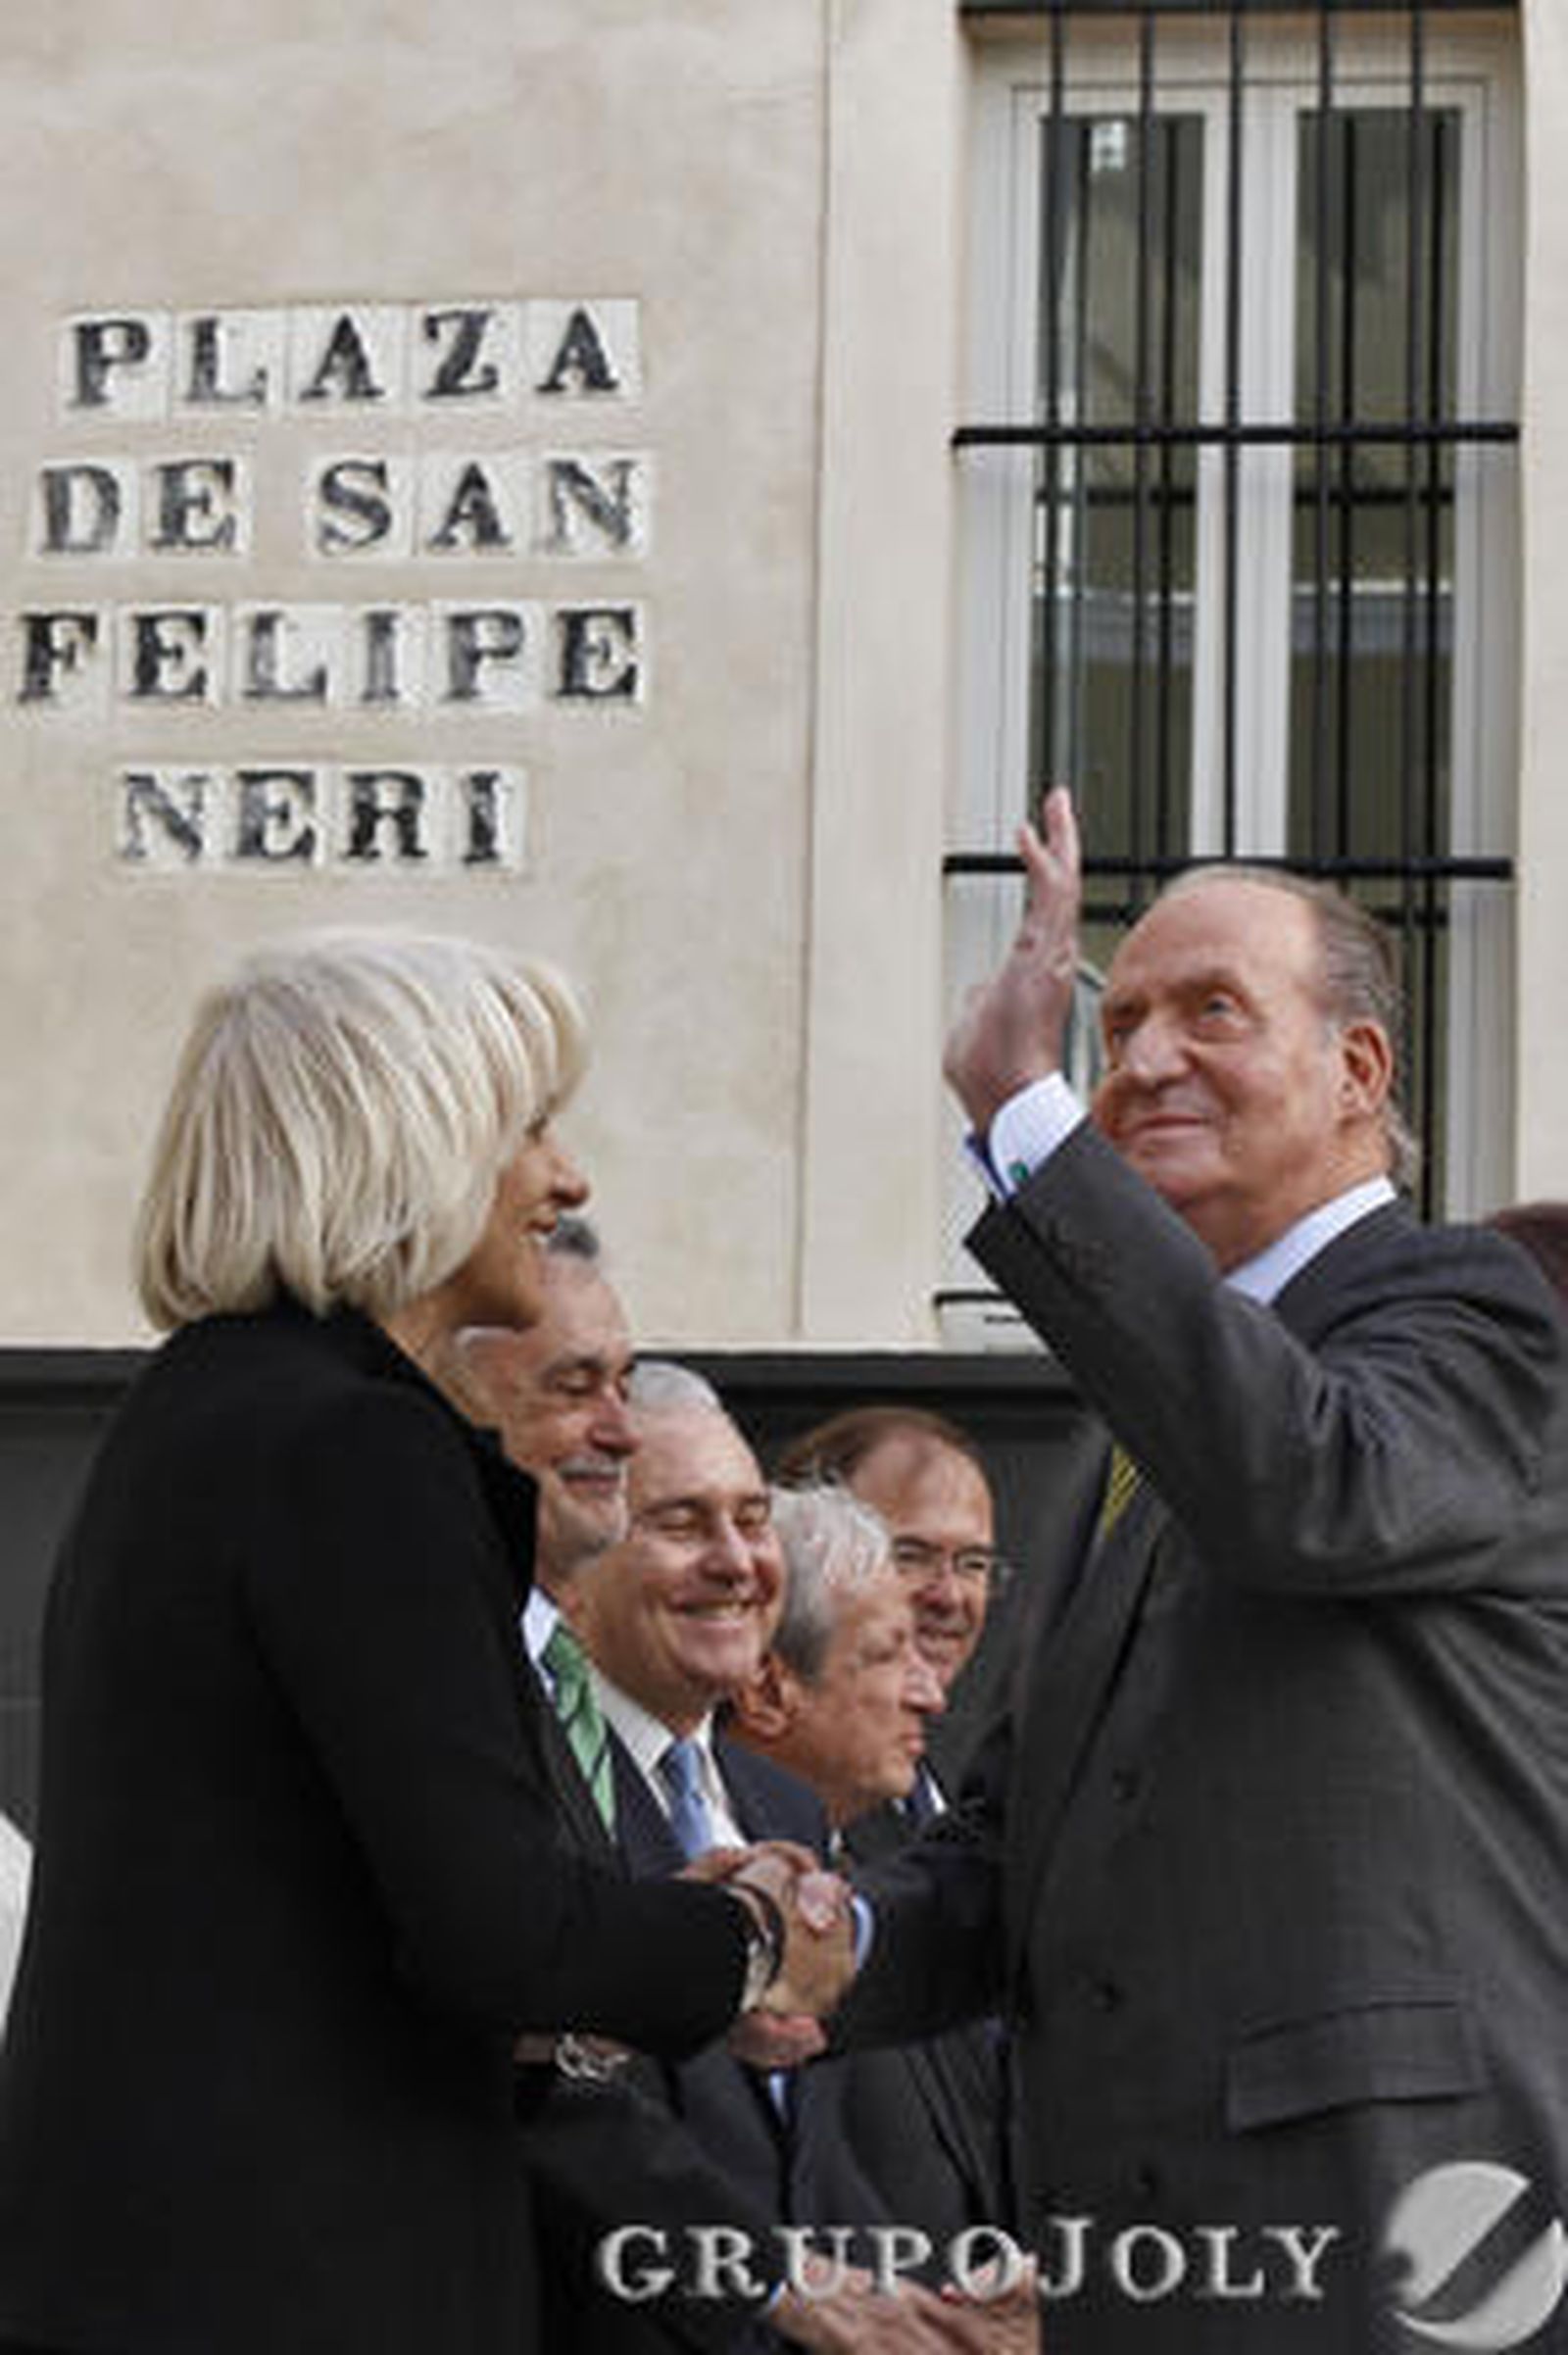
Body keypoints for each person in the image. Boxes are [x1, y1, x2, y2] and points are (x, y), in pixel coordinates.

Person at [0, 928, 847, 2355]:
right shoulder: (357, 1445)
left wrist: (649, 1937)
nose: (566, 1178)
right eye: (528, 1124)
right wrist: (755, 1936)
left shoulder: (196, 1416)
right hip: (298, 2287)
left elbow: (323, 1910)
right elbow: (494, 1932)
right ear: (412, 1139)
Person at [835, 791, 1568, 2350]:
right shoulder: (1140, 1435)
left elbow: (1307, 1485)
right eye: (1123, 1021)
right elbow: (1005, 1853)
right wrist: (802, 1942)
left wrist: (1022, 1117)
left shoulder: (1479, 1316)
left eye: (1211, 1011)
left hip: (1403, 2249)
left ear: (1357, 1070)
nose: (1146, 1057)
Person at [731, 1486, 1013, 2266]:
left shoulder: (871, 1898)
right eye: (891, 1653)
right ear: (766, 1689)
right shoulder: (734, 1916)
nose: (933, 1692)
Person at [773, 1407, 1003, 1798]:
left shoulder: (970, 1767)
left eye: (973, 1563)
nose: (948, 1596)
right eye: (911, 1556)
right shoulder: (780, 1776)